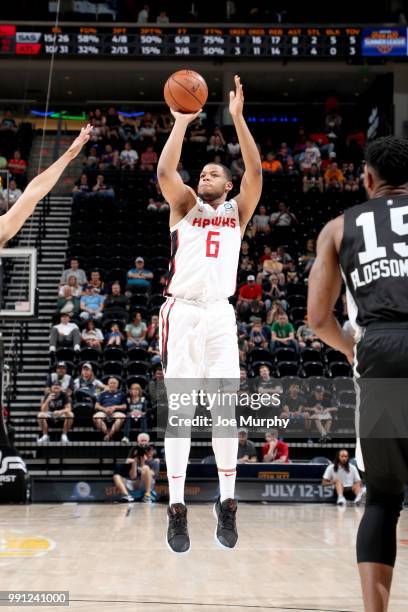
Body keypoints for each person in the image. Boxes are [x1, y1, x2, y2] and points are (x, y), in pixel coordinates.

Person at [157, 75, 262, 553]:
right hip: (181, 313)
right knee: (180, 412)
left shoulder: (238, 211)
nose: (205, 176)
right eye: (203, 173)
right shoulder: (184, 206)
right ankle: (176, 508)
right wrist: (180, 123)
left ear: (230, 183)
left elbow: (257, 173)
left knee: (224, 413)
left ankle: (227, 501)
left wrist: (238, 119)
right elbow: (165, 174)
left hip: (220, 315)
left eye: (215, 173)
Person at [307, 135, 408, 611]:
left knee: (384, 499)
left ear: (367, 179)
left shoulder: (336, 228)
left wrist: (355, 351)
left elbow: (318, 320)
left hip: (379, 354)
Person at [0, 126, 90, 247]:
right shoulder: (6, 226)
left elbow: (36, 188)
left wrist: (68, 155)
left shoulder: (5, 225)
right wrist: (68, 155)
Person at [113, 433, 159, 503]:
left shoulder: (154, 462)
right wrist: (134, 462)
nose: (148, 452)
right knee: (116, 476)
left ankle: (147, 495)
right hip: (135, 483)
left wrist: (143, 462)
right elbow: (133, 477)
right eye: (142, 441)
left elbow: (151, 474)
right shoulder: (133, 453)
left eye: (150, 450)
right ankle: (126, 496)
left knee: (146, 468)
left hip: (146, 483)